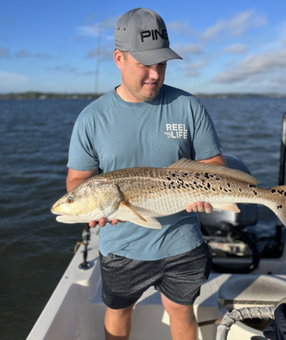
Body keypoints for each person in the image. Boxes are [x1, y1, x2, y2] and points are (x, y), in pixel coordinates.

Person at [66, 8, 225, 340]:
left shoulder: (188, 106)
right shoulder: (91, 118)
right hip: (122, 246)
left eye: (162, 64)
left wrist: (206, 193)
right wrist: (93, 208)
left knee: (181, 310)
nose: (155, 74)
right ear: (119, 58)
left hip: (182, 238)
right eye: (145, 64)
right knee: (119, 310)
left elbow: (214, 166)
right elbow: (77, 180)